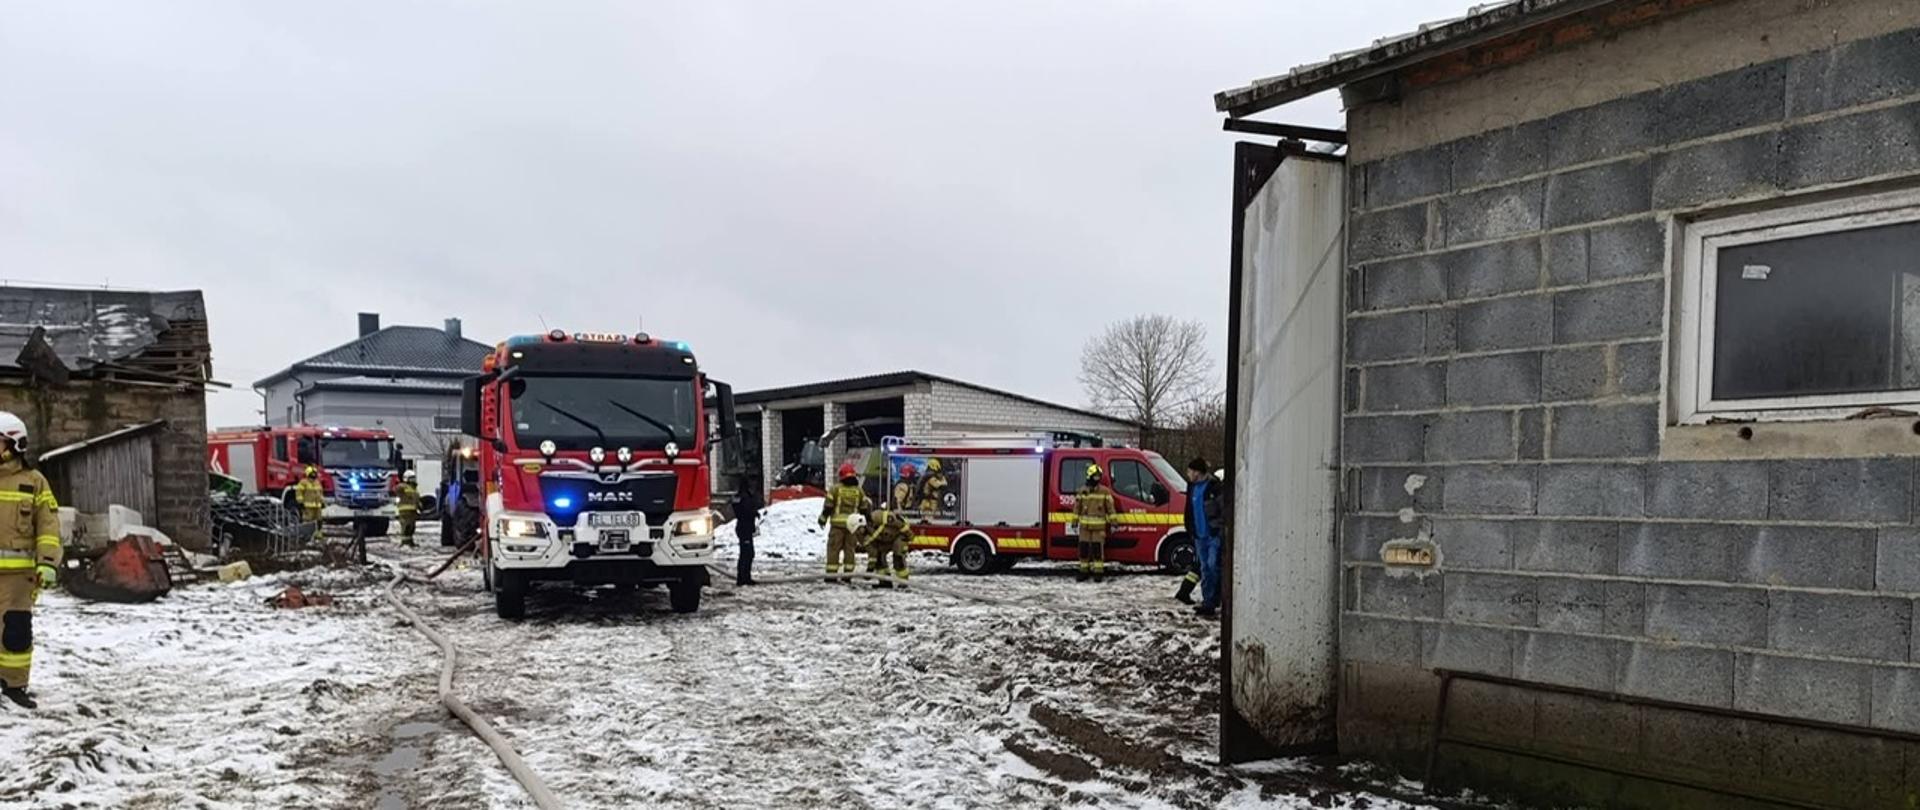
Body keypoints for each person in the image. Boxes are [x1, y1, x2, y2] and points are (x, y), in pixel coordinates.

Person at [0, 411, 61, 710]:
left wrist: (47, 562)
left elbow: (48, 526)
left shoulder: (34, 482)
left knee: (15, 632)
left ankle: (13, 686)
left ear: (14, 445)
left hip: (19, 578)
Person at [1181, 458, 1226, 617]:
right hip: (1199, 536)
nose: (1188, 474)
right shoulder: (1192, 487)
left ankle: (1215, 599)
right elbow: (1189, 510)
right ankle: (1208, 602)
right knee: (1205, 569)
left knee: (1214, 566)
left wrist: (1219, 530)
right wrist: (1190, 528)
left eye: (1190, 471)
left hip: (1213, 535)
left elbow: (1223, 510)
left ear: (1197, 472)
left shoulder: (1214, 487)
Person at [817, 463, 871, 582]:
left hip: (837, 526)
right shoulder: (859, 491)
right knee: (850, 550)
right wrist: (867, 524)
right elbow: (865, 509)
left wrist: (823, 519)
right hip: (853, 527)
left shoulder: (835, 489)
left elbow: (828, 506)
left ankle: (831, 576)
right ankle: (847, 576)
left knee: (833, 550)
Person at [1072, 464, 1115, 583]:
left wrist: (1114, 522)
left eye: (1098, 477)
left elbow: (1111, 509)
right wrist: (1074, 522)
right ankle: (1083, 571)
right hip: (1084, 528)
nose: (1097, 479)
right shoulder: (1082, 491)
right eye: (1095, 477)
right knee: (1083, 549)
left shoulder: (1105, 492)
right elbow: (1077, 508)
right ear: (1089, 476)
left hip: (1099, 528)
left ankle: (1098, 572)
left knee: (1097, 550)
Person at [865, 507, 912, 588]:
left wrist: (909, 534)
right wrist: (870, 568)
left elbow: (897, 522)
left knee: (898, 558)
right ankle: (884, 582)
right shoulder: (865, 533)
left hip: (898, 536)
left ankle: (903, 582)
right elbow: (872, 552)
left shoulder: (877, 516)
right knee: (879, 558)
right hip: (885, 539)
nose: (860, 531)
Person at [732, 485, 763, 586]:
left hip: (744, 528)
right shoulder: (745, 498)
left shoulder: (739, 497)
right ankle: (743, 578)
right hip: (745, 528)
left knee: (747, 553)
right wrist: (754, 513)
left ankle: (744, 577)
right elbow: (745, 512)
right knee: (747, 554)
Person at [294, 466, 326, 542]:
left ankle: (318, 533)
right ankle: (306, 535)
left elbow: (320, 494)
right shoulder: (303, 482)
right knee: (308, 520)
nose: (314, 475)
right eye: (312, 474)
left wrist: (323, 503)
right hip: (307, 506)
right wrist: (300, 502)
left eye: (315, 474)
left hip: (317, 505)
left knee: (319, 519)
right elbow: (299, 493)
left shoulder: (317, 482)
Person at [396, 470, 420, 548]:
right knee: (405, 527)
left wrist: (420, 506)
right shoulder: (402, 486)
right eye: (411, 478)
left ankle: (410, 541)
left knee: (412, 527)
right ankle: (404, 542)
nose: (413, 480)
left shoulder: (414, 488)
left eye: (414, 478)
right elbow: (397, 490)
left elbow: (416, 499)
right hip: (404, 511)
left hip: (412, 511)